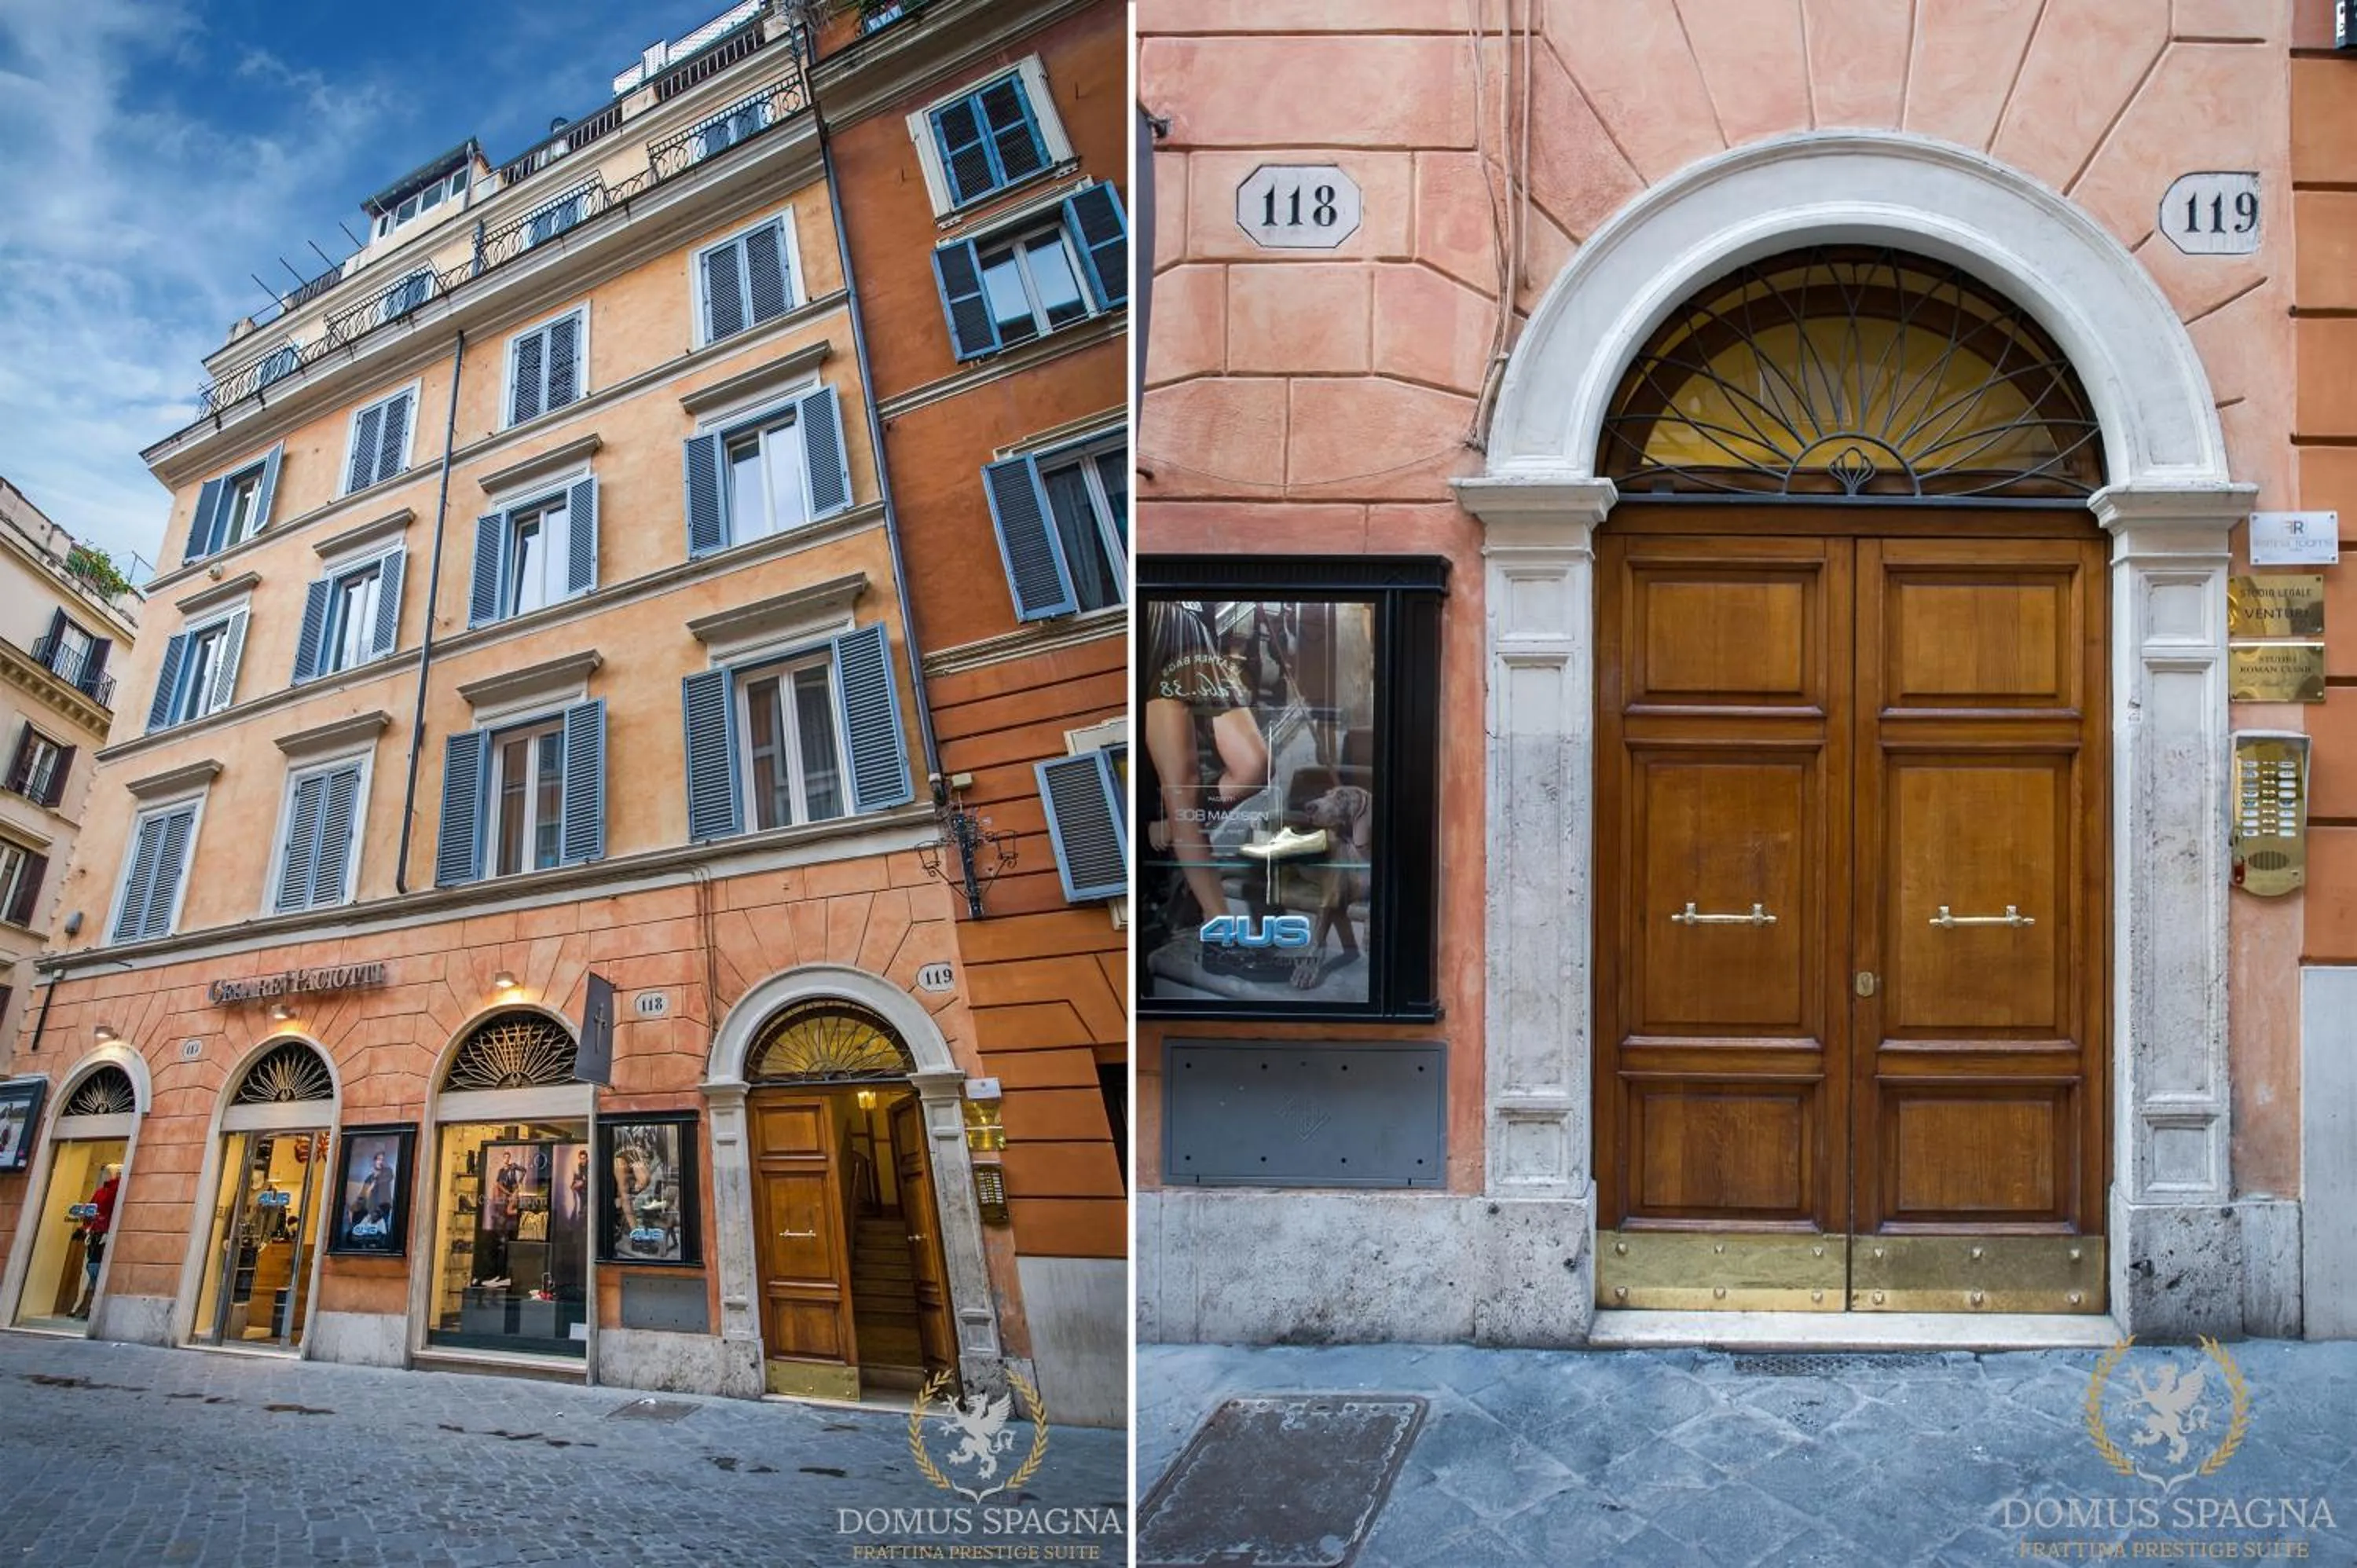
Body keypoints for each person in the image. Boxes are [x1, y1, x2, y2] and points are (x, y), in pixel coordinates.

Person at [68, 1163, 121, 1318]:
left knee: (95, 1270)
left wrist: (106, 1230)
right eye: (104, 1172)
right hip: (95, 1234)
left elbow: (113, 1212)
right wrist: (85, 1228)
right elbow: (91, 1212)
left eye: (108, 1172)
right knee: (89, 1270)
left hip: (105, 1235)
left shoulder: (117, 1189)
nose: (105, 1174)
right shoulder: (101, 1192)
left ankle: (91, 1307)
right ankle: (78, 1306)